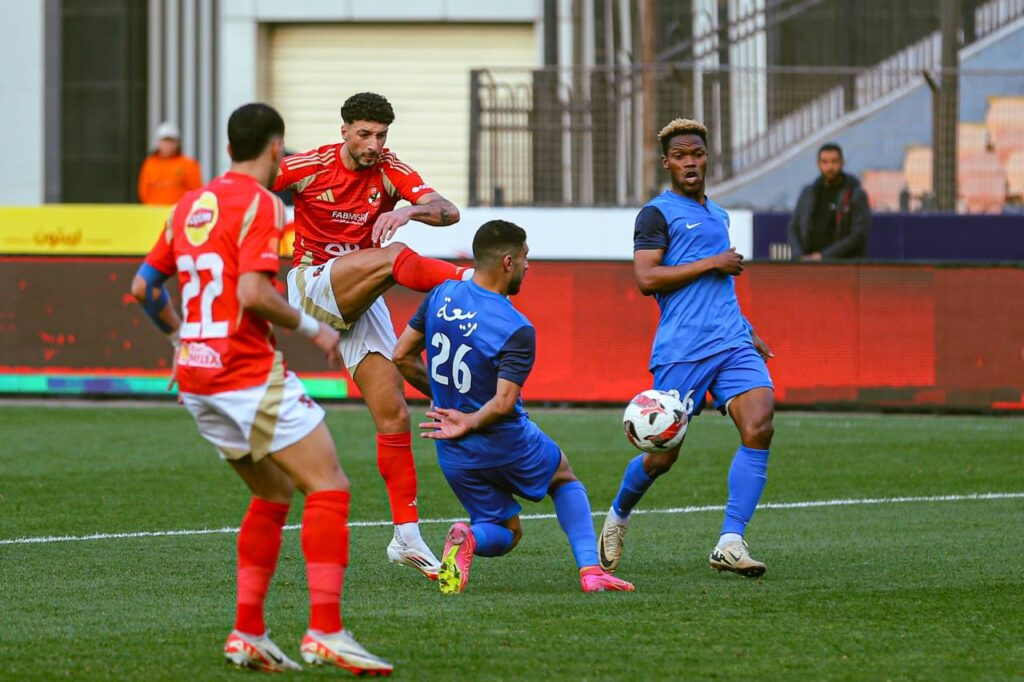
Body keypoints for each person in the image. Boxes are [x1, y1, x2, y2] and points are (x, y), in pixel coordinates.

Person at [130, 103, 392, 675]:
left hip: (196, 376)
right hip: (242, 369)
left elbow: (144, 287)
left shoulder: (188, 204)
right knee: (330, 485)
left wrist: (179, 338)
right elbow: (253, 292)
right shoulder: (263, 203)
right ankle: (325, 631)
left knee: (273, 494)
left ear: (228, 149)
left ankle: (247, 633)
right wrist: (314, 328)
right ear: (276, 148)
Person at [273, 92, 469, 580]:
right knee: (394, 257)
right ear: (344, 131)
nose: (373, 144)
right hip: (313, 284)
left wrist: (408, 212)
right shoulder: (310, 166)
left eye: (381, 135)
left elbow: (448, 211)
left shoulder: (389, 170)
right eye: (364, 134)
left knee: (394, 413)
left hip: (361, 293)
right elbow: (251, 185)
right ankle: (472, 284)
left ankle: (406, 536)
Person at [391, 220, 635, 595]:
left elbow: (401, 355)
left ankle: (469, 537)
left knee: (507, 530)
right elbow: (503, 404)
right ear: (508, 262)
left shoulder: (441, 295)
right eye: (525, 257)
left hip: (451, 447)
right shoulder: (516, 327)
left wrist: (445, 399)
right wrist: (470, 418)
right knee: (563, 478)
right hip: (503, 438)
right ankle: (591, 571)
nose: (527, 265)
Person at [599, 118, 776, 579]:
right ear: (667, 163)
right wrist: (714, 261)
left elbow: (718, 290)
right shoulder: (656, 214)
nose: (690, 162)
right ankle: (618, 515)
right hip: (683, 348)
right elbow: (646, 278)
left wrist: (748, 330)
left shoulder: (719, 214)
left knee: (760, 424)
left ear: (707, 157)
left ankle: (731, 541)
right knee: (663, 456)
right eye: (680, 156)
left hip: (731, 342)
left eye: (696, 153)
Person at [787, 143, 871, 260]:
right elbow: (794, 228)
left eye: (834, 161)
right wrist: (800, 256)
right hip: (808, 264)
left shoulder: (856, 195)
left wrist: (823, 256)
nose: (830, 167)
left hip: (843, 264)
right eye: (825, 162)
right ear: (818, 164)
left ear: (842, 163)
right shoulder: (807, 193)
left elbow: (858, 235)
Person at [137, 121, 203, 205]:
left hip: (179, 210)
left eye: (171, 141)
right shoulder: (149, 163)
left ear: (177, 143)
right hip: (153, 210)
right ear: (158, 142)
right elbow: (143, 191)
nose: (168, 145)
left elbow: (196, 191)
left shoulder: (189, 164)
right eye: (165, 141)